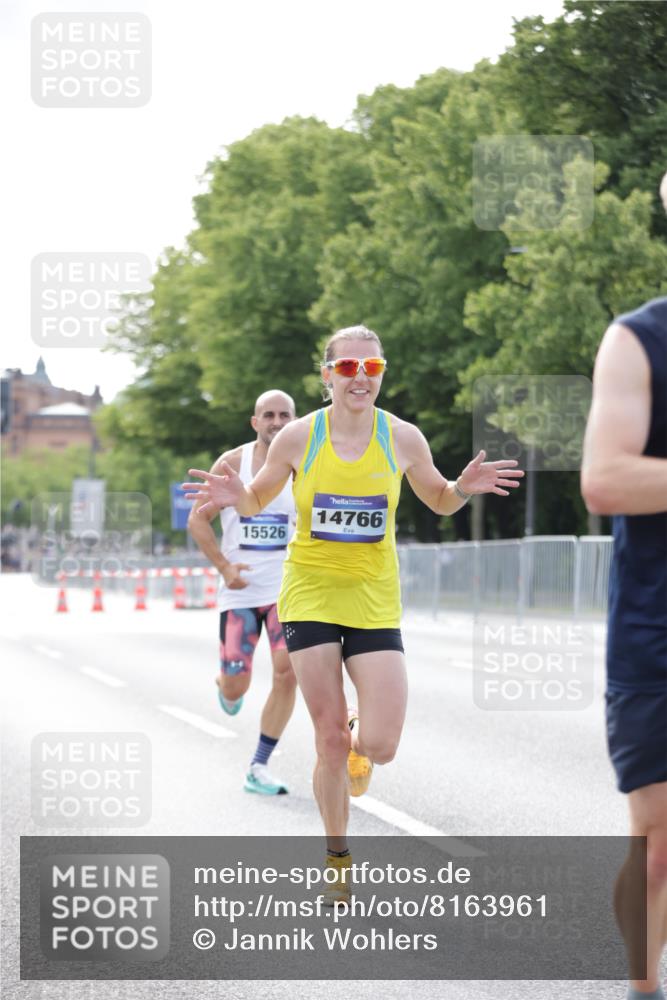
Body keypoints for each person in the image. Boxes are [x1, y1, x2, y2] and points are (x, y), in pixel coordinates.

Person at [184, 325, 523, 901]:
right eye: (347, 369)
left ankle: (361, 743)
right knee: (330, 740)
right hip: (310, 594)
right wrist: (230, 497)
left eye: (371, 369)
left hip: (373, 600)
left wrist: (462, 487)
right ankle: (338, 860)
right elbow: (257, 498)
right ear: (328, 376)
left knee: (381, 744)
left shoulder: (403, 437)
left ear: (381, 373)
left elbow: (439, 500)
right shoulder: (298, 436)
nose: (360, 378)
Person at [581, 173, 667, 1000]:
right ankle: (641, 987)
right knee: (658, 841)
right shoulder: (637, 339)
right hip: (656, 630)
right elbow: (605, 478)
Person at [188, 390, 298, 796]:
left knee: (288, 673)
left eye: (284, 414)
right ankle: (225, 684)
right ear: (255, 422)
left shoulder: (305, 464)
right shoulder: (234, 463)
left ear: (295, 419)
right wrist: (224, 566)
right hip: (241, 592)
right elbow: (198, 522)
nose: (276, 421)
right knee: (238, 683)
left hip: (289, 590)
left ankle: (259, 764)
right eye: (268, 415)